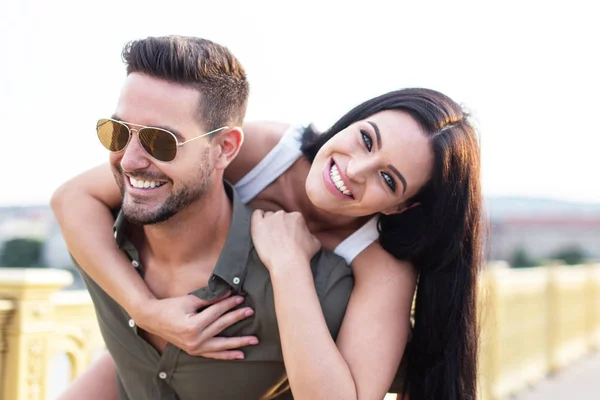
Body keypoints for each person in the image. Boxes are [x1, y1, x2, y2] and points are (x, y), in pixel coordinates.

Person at [52, 48, 484, 400]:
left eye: (388, 179)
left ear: (402, 207)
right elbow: (74, 197)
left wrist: (288, 266)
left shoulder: (381, 263)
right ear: (354, 119)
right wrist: (147, 310)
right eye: (367, 139)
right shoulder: (260, 150)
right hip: (156, 351)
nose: (355, 169)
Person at [54, 35, 356, 400]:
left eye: (159, 141)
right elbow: (67, 200)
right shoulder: (100, 243)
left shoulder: (316, 288)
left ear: (224, 149)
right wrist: (145, 310)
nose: (129, 159)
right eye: (117, 132)